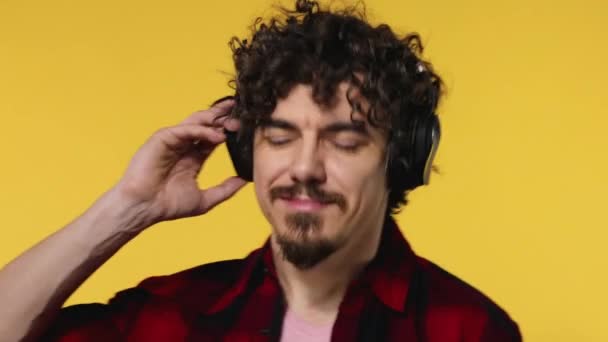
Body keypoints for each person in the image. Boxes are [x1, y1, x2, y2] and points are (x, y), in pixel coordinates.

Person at [0, 0, 521, 341]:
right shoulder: (171, 318)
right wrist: (127, 209)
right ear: (248, 151)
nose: (304, 167)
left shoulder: (469, 329)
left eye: (344, 141)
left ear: (401, 159)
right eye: (279, 136)